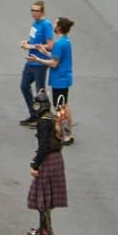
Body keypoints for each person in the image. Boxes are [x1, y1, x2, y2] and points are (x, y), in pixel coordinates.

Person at [26, 90, 66, 235]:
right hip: (57, 159)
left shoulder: (43, 121)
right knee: (45, 198)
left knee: (41, 198)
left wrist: (35, 164)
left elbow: (43, 146)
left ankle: (45, 231)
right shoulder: (52, 117)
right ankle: (46, 229)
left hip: (48, 160)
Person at [20, 1, 54, 125]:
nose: (34, 13)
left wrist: (32, 46)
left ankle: (44, 119)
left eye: (37, 11)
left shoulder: (46, 25)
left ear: (42, 11)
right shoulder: (35, 24)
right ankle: (33, 114)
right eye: (32, 10)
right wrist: (26, 42)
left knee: (40, 91)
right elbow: (34, 39)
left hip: (40, 63)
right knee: (24, 86)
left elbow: (50, 45)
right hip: (30, 61)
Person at [41, 17, 74, 145]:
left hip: (59, 79)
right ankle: (65, 132)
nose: (53, 25)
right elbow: (56, 57)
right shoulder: (65, 41)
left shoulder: (59, 43)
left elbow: (54, 63)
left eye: (55, 23)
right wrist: (44, 52)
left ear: (59, 28)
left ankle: (65, 135)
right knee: (63, 106)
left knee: (60, 108)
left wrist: (39, 60)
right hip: (63, 78)